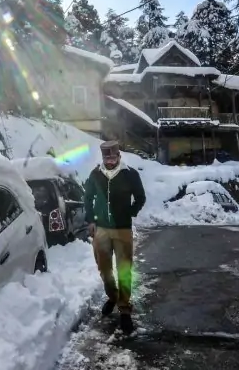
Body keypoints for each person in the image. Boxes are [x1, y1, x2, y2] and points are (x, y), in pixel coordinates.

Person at [83, 140, 146, 334]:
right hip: (101, 229)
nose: (109, 161)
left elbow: (140, 197)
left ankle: (124, 308)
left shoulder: (130, 174)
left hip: (122, 230)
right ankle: (113, 296)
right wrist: (91, 220)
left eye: (112, 157)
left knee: (124, 269)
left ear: (119, 156)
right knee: (104, 269)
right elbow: (87, 197)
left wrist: (130, 212)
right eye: (106, 157)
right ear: (102, 158)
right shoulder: (95, 174)